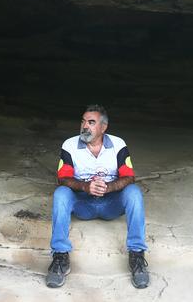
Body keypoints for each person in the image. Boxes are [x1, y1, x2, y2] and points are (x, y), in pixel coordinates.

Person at [46, 104, 149, 289]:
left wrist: (108, 188)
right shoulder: (70, 145)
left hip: (111, 204)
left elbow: (129, 176)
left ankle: (137, 255)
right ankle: (60, 256)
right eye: (83, 121)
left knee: (134, 192)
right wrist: (85, 186)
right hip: (83, 204)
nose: (85, 126)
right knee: (61, 193)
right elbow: (62, 178)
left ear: (103, 127)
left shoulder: (118, 144)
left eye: (91, 122)